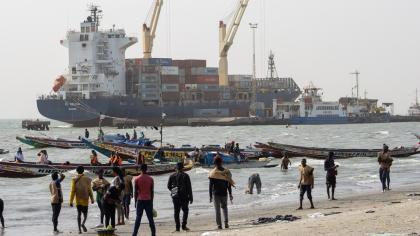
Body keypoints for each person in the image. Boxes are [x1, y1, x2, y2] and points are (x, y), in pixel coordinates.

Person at [209, 156, 234, 230]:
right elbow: (229, 184)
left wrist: (210, 196)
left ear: (215, 163)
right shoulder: (226, 172)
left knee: (217, 210)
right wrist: (230, 194)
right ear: (221, 162)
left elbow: (210, 185)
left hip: (216, 194)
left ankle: (219, 225)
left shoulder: (213, 173)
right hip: (224, 193)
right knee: (225, 208)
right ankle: (226, 223)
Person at [167, 162, 193, 232]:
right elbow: (189, 187)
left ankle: (177, 227)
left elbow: (168, 186)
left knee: (176, 212)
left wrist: (174, 191)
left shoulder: (172, 176)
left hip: (175, 196)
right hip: (184, 196)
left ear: (176, 168)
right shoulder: (186, 175)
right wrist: (191, 197)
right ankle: (184, 226)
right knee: (185, 211)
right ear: (182, 168)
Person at [69, 166, 94, 234]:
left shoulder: (74, 179)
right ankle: (83, 223)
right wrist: (92, 198)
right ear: (83, 171)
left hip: (78, 199)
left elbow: (73, 191)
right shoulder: (88, 179)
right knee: (85, 215)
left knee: (79, 214)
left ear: (77, 171)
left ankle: (79, 230)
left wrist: (71, 201)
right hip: (85, 199)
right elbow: (89, 189)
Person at [132, 164, 156, 236]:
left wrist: (135, 201)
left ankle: (134, 234)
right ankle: (153, 234)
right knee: (150, 219)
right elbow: (152, 191)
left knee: (138, 218)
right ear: (147, 169)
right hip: (148, 200)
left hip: (140, 200)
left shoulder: (137, 179)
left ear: (140, 169)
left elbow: (135, 192)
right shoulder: (150, 179)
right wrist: (151, 202)